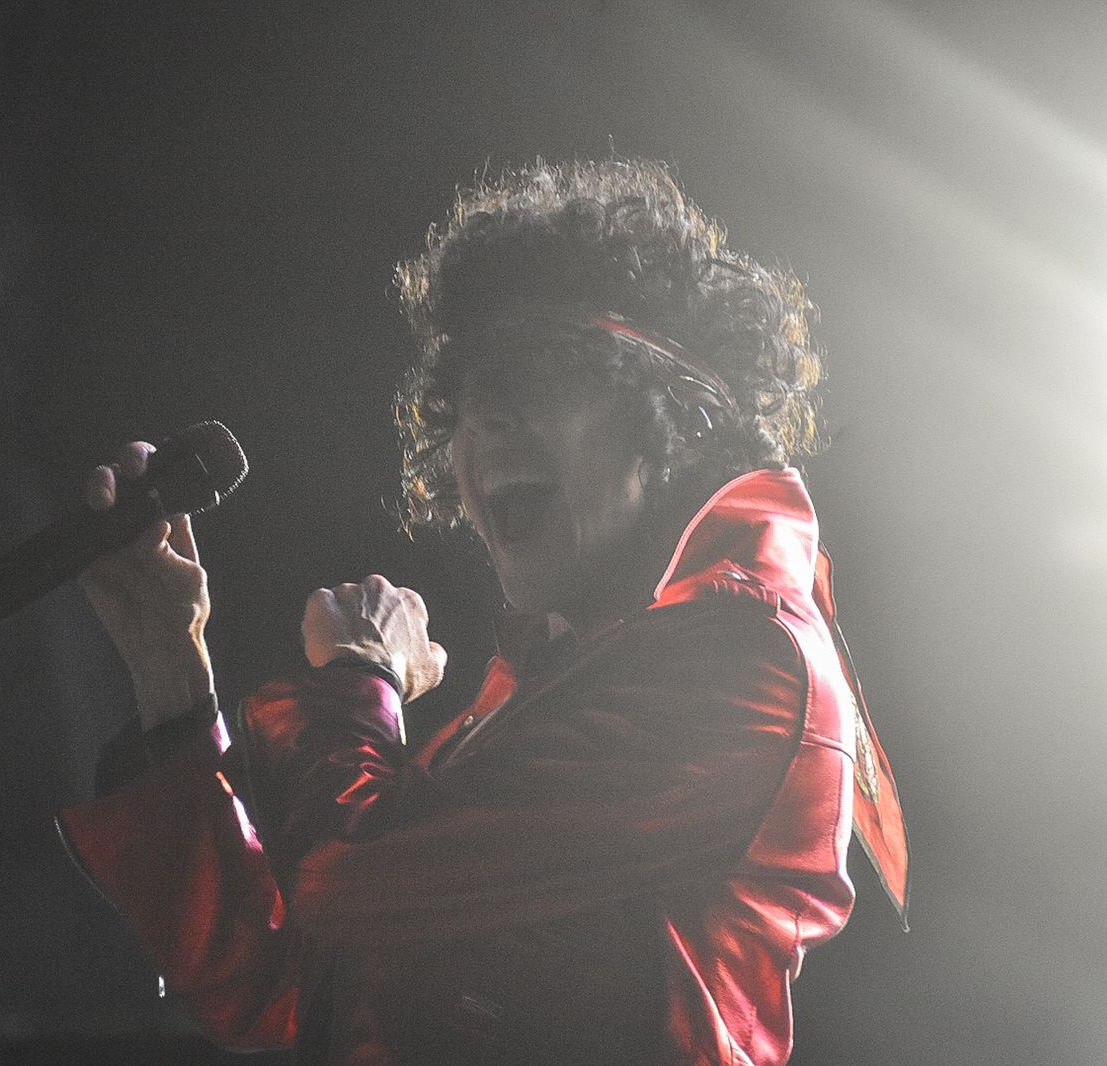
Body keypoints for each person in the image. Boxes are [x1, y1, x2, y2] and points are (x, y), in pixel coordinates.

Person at [59, 158, 908, 1064]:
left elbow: (349, 881)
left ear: (681, 420)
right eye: (466, 397)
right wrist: (171, 672)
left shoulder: (740, 660)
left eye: (537, 374)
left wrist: (360, 676)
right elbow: (289, 986)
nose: (484, 423)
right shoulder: (553, 690)